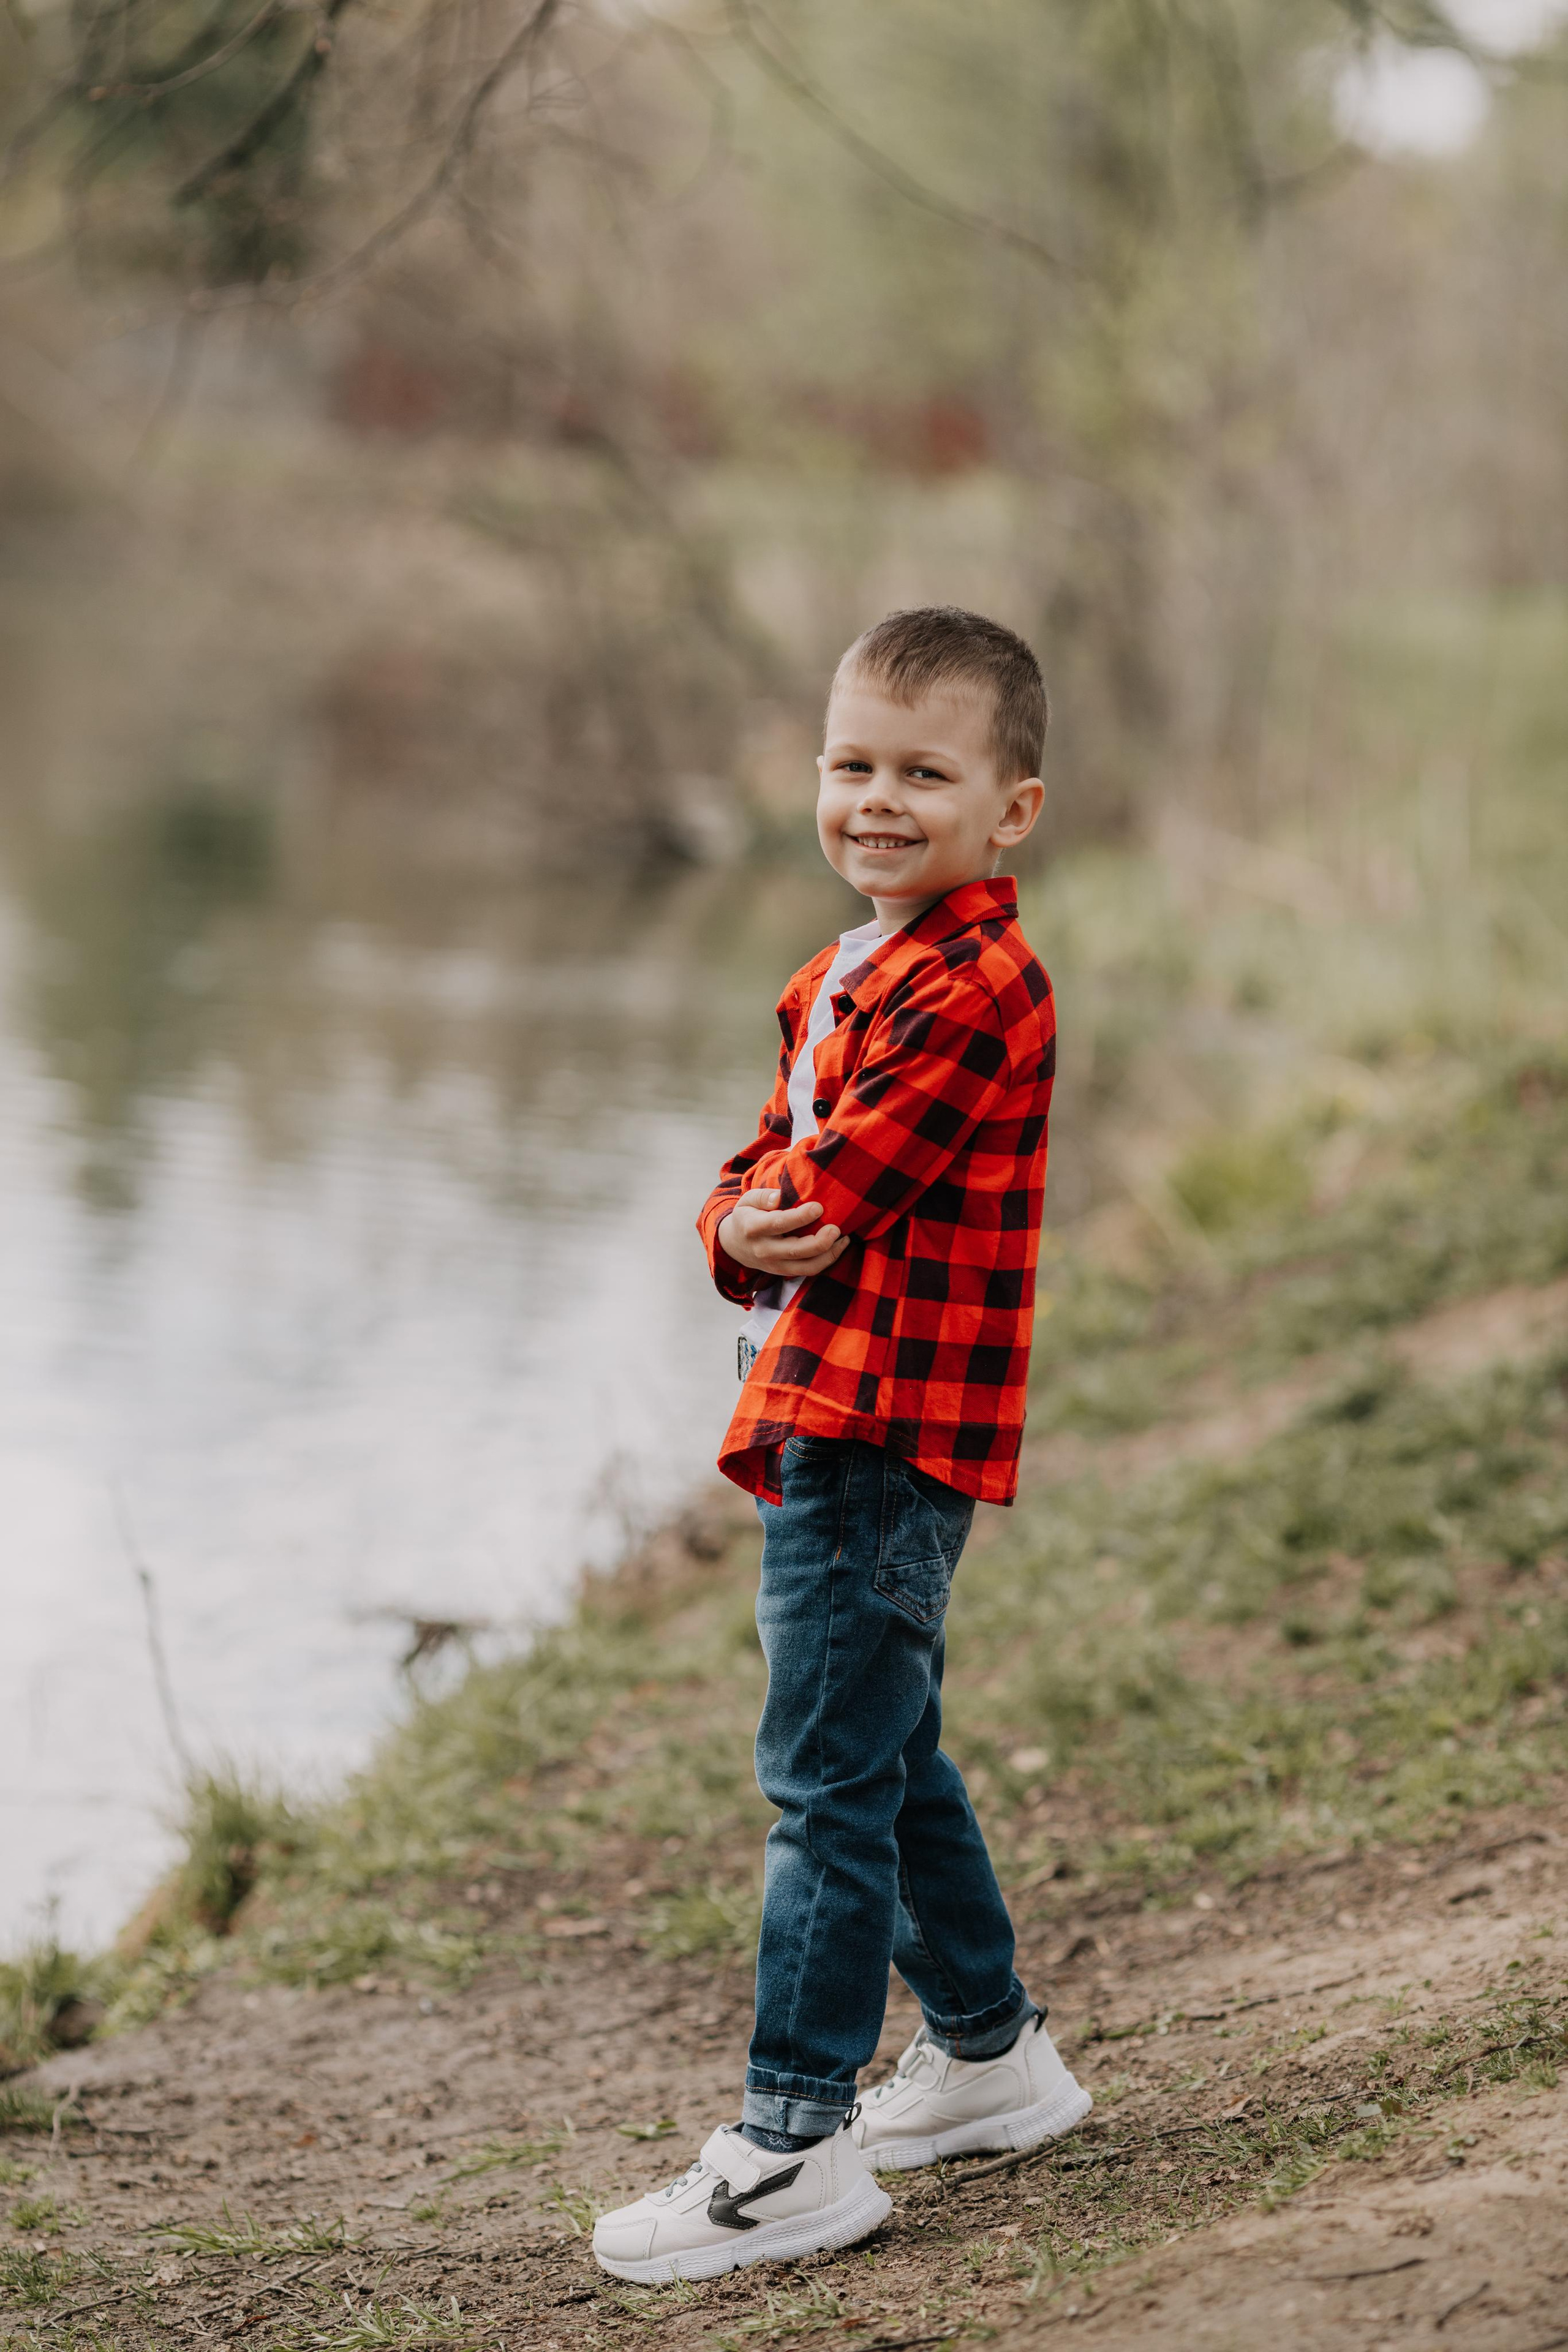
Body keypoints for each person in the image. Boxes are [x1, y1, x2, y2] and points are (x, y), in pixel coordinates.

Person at [592, 606, 1090, 2286]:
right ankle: (988, 2054)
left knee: (822, 1781)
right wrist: (739, 1219)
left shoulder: (980, 985)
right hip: (817, 1397)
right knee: (884, 1744)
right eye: (851, 764)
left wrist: (762, 1216)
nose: (878, 799)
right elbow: (755, 1190)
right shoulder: (838, 971)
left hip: (883, 1420)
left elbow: (831, 1192)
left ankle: (790, 2146)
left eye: (924, 773)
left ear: (1009, 808)